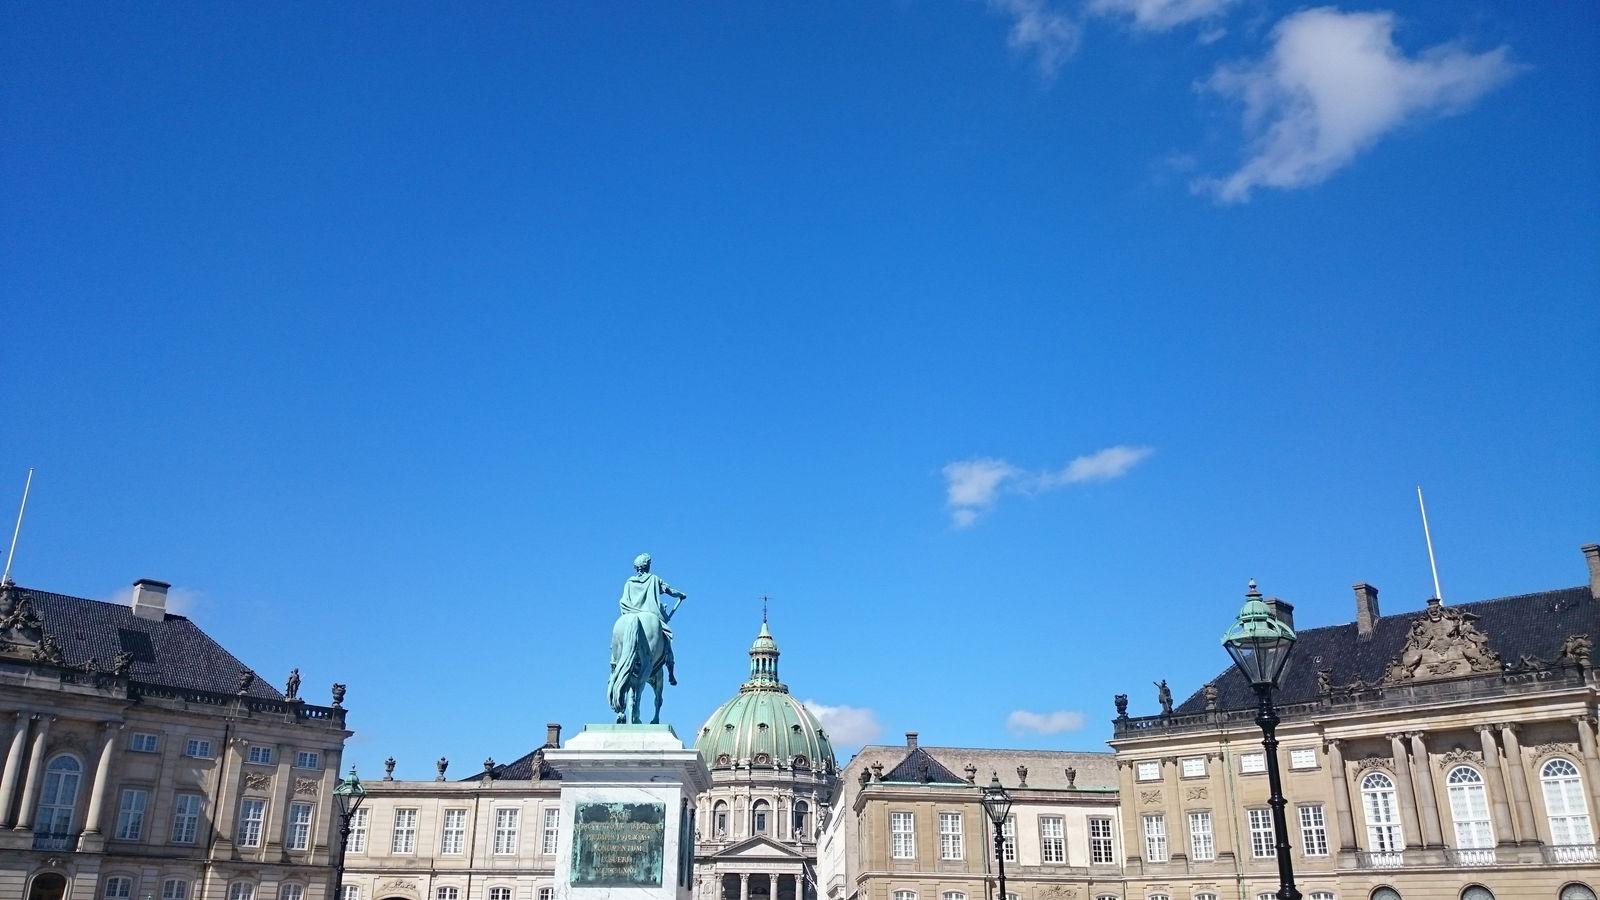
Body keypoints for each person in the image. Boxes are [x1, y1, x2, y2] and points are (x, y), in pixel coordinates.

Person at [618, 553, 686, 685]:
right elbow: (669, 590)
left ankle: (615, 662)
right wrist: (681, 594)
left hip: (630, 613)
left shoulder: (629, 582)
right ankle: (671, 673)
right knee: (666, 641)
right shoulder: (654, 579)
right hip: (651, 615)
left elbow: (624, 600)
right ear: (647, 565)